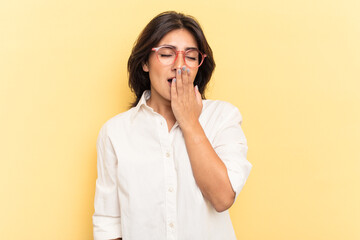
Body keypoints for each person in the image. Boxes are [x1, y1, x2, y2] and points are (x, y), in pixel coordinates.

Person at [93, 11, 252, 240]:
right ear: (145, 63)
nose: (180, 65)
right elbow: (108, 224)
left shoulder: (223, 117)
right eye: (166, 54)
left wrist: (189, 120)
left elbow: (222, 198)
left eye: (191, 56)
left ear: (199, 65)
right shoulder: (115, 132)